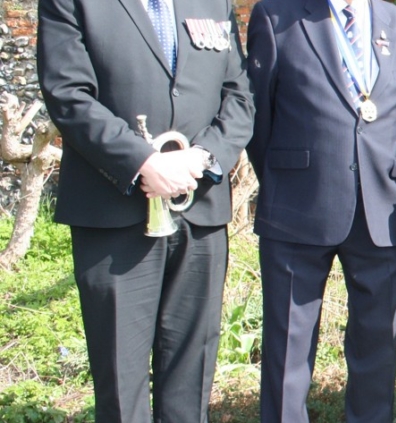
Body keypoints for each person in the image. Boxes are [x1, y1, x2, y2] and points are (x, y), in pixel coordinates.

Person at [36, 0, 253, 419]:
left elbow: (240, 96)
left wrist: (203, 157)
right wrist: (141, 162)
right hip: (114, 212)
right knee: (121, 381)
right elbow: (67, 93)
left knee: (192, 375)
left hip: (199, 208)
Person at [245, 0, 396, 420]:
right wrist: (292, 175)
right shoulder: (276, 16)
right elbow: (258, 120)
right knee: (288, 351)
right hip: (297, 208)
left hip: (380, 210)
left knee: (378, 348)